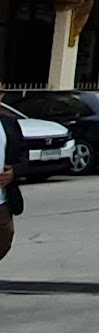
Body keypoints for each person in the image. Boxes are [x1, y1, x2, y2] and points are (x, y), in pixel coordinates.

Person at [0, 105, 25, 263]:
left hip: (2, 200)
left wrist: (14, 172)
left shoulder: (9, 123)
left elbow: (23, 155)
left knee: (5, 238)